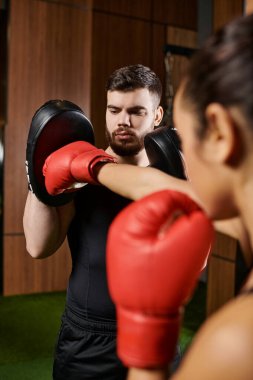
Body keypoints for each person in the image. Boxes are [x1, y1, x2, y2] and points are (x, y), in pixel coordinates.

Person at [40, 13, 253, 380]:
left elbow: (175, 192)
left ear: (220, 134)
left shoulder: (236, 340)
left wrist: (148, 345)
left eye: (185, 136)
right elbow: (182, 195)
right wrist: (89, 167)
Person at [23, 64, 185, 380]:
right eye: (114, 110)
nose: (123, 121)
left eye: (136, 111)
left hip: (157, 333)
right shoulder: (77, 171)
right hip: (88, 341)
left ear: (157, 115)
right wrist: (39, 177)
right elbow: (38, 247)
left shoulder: (170, 176)